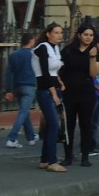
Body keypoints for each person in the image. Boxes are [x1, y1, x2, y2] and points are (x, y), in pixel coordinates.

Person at [59, 23, 99, 167]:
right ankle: (68, 156)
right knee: (68, 125)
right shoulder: (68, 50)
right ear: (79, 35)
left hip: (87, 93)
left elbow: (93, 73)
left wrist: (92, 57)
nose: (88, 38)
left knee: (86, 125)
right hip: (69, 93)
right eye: (85, 34)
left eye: (91, 35)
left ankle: (85, 156)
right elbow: (59, 69)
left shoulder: (94, 51)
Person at [32, 22, 66, 173]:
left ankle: (45, 159)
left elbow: (54, 72)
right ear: (48, 33)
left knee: (52, 125)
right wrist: (53, 92)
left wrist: (59, 82)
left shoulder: (55, 49)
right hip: (45, 91)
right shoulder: (42, 48)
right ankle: (52, 161)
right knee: (53, 124)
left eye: (61, 33)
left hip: (54, 89)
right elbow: (45, 73)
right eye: (56, 32)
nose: (59, 35)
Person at [2, 32, 39, 149]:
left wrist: (8, 90)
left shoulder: (14, 55)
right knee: (23, 112)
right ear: (31, 40)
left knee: (25, 112)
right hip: (30, 85)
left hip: (17, 86)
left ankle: (31, 136)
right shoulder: (34, 55)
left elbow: (8, 73)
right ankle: (11, 138)